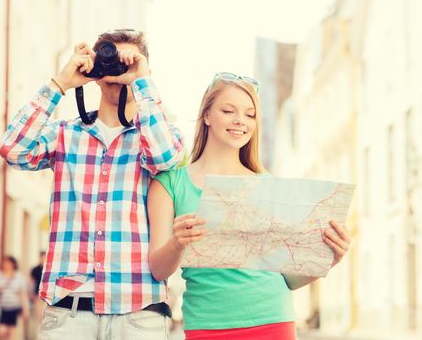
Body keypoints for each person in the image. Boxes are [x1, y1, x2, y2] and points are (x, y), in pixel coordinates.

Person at [0, 29, 183, 339]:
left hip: (138, 313)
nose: (118, 71)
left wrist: (141, 83)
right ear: (97, 72)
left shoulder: (156, 136)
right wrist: (60, 83)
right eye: (111, 62)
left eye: (129, 63)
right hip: (69, 313)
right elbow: (13, 150)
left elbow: (165, 158)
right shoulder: (65, 135)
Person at [147, 72, 352, 340]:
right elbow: (158, 269)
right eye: (228, 110)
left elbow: (287, 280)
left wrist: (327, 260)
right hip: (207, 325)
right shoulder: (169, 184)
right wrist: (177, 242)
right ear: (206, 116)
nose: (240, 121)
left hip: (273, 321)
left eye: (250, 114)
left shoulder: (267, 184)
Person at [0, 256, 29, 340]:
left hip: (14, 308)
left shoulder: (19, 278)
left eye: (8, 263)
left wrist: (25, 308)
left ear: (13, 264)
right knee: (1, 331)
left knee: (11, 333)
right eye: (5, 263)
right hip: (2, 308)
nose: (6, 265)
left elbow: (23, 294)